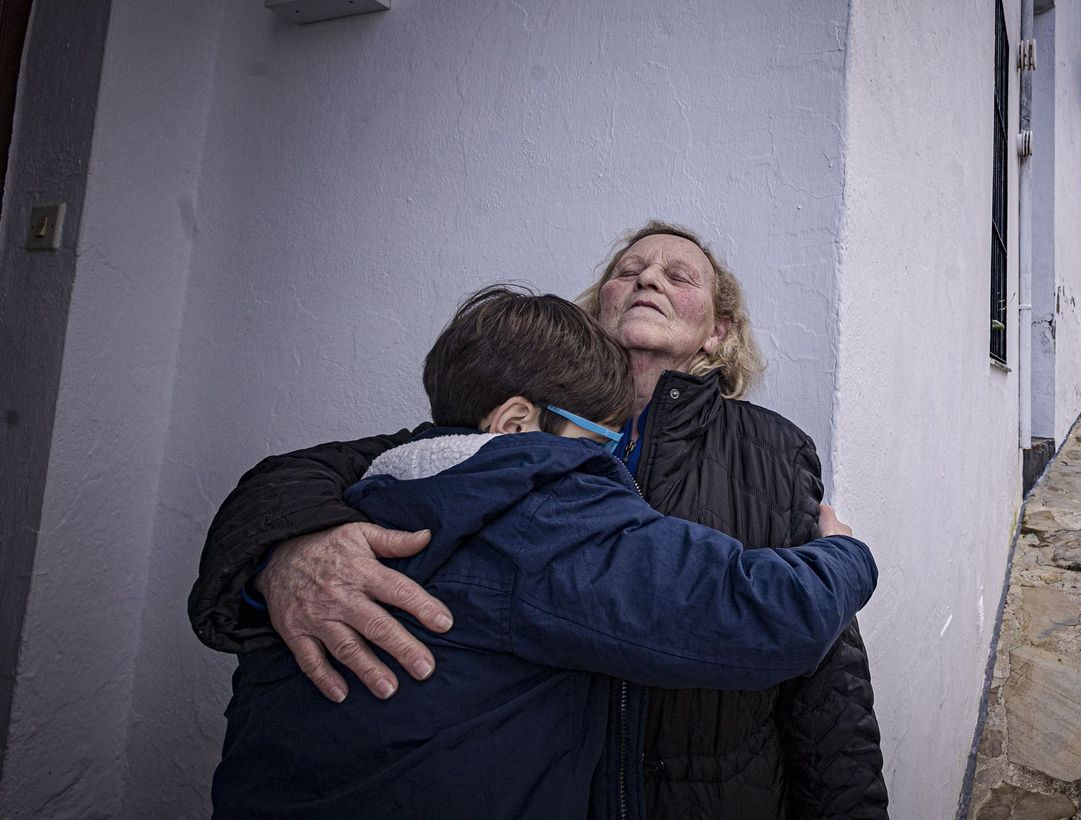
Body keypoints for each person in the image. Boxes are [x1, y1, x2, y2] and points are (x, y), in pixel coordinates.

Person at [189, 222, 889, 818]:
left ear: (718, 334)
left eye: (680, 276)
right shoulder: (494, 448)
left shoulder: (771, 448)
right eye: (628, 270)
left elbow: (828, 676)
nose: (648, 279)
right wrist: (289, 548)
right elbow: (294, 478)